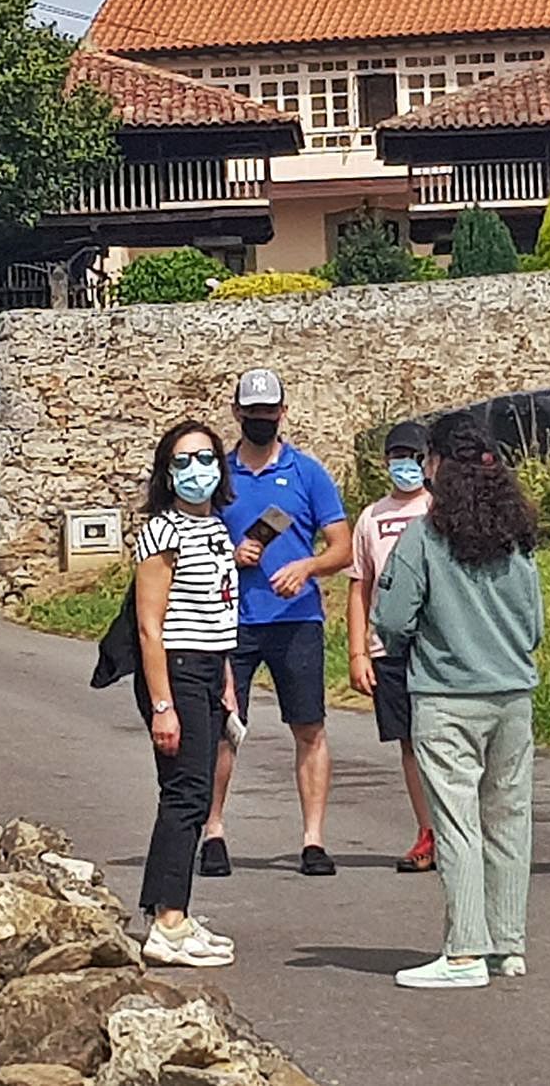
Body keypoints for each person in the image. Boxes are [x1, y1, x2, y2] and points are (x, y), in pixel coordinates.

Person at [373, 412, 543, 989]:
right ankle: (507, 943)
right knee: (509, 819)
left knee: (457, 822)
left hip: (447, 694)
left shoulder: (424, 536)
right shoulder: (518, 535)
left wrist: (412, 640)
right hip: (513, 695)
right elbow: (536, 624)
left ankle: (465, 950)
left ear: (438, 464)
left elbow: (392, 617)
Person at [206, 368, 352, 878]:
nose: (262, 419)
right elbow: (190, 541)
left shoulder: (308, 473)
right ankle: (213, 832)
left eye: (270, 411)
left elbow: (342, 546)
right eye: (253, 412)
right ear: (237, 412)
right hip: (230, 618)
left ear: (283, 412)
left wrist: (306, 566)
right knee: (223, 727)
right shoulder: (217, 477)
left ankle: (313, 840)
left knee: (309, 725)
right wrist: (229, 551)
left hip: (297, 617)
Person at [132, 420, 242, 967]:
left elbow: (219, 611)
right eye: (182, 462)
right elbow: (151, 626)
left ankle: (170, 908)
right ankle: (167, 923)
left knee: (196, 794)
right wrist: (162, 705)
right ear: (166, 473)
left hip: (206, 668)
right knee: (186, 793)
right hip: (173, 669)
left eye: (205, 458)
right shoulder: (162, 533)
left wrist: (225, 681)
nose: (196, 471)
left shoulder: (217, 530)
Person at [347, 421, 438, 873]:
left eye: (414, 456)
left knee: (446, 737)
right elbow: (359, 587)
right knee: (409, 742)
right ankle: (427, 831)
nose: (406, 466)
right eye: (397, 457)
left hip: (439, 645)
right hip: (391, 647)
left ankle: (464, 828)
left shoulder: (440, 509)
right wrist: (359, 652)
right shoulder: (371, 517)